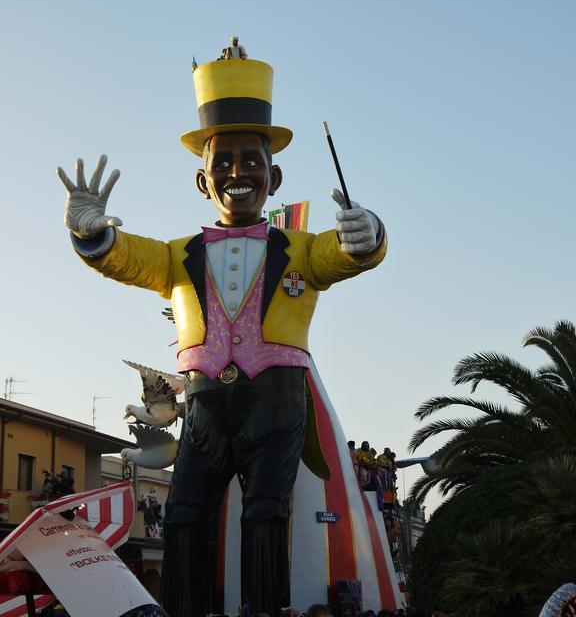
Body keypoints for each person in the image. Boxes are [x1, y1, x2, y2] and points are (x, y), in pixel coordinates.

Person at [57, 45, 387, 617]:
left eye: (251, 160)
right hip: (206, 402)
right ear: (201, 180)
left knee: (266, 512)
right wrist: (91, 233)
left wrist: (368, 233)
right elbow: (123, 255)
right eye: (224, 161)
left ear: (274, 174)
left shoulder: (303, 250)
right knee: (183, 512)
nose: (239, 172)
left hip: (278, 398)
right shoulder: (177, 255)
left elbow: (348, 252)